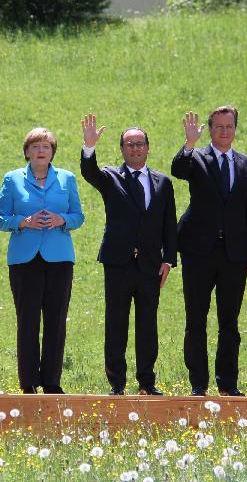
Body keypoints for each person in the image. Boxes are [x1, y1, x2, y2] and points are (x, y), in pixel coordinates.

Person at [80, 115, 177, 396]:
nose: (135, 149)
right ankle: (117, 384)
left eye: (140, 144)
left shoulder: (163, 182)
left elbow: (169, 223)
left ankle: (147, 382)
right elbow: (90, 173)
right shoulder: (111, 177)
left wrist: (168, 258)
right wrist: (89, 147)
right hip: (118, 263)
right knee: (116, 324)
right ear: (122, 149)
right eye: (129, 144)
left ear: (148, 147)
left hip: (150, 266)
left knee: (148, 325)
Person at [171, 106, 247, 397]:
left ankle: (228, 383)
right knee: (196, 319)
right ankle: (198, 383)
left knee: (230, 322)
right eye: (219, 126)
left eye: (229, 126)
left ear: (235, 129)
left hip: (234, 253)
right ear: (210, 129)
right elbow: (177, 170)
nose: (224, 131)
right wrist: (189, 143)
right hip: (198, 250)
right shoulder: (196, 157)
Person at [0, 127, 85, 394]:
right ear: (26, 152)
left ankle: (51, 381)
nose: (40, 151)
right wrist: (22, 222)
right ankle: (28, 382)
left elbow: (78, 215)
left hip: (59, 258)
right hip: (25, 260)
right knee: (27, 320)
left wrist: (63, 220)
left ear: (52, 152)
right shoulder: (12, 179)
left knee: (56, 320)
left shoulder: (67, 178)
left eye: (45, 147)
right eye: (35, 147)